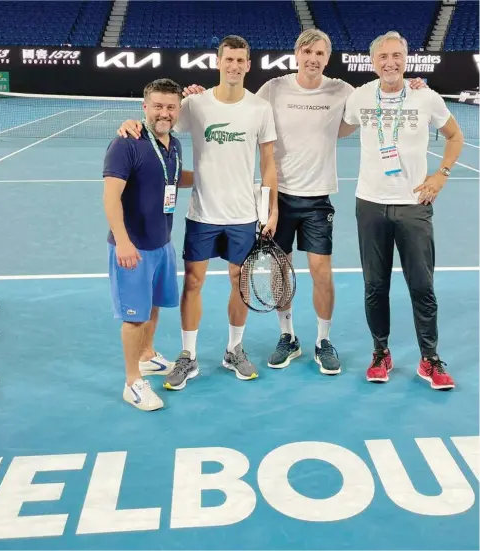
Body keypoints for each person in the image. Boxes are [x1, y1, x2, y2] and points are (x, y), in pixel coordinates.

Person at [180, 29, 428, 377]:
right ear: (297, 54)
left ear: (328, 58)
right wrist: (195, 94)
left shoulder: (342, 91)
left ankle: (323, 340)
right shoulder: (273, 88)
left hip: (317, 199)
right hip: (278, 197)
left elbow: (379, 94)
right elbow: (240, 110)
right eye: (308, 51)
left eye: (320, 53)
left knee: (321, 272)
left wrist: (412, 84)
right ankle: (288, 336)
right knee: (282, 272)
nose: (313, 58)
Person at [117, 35, 279, 390]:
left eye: (241, 60)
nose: (234, 66)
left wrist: (271, 208)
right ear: (218, 63)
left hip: (242, 214)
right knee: (193, 283)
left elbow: (268, 162)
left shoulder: (260, 109)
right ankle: (188, 356)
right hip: (202, 212)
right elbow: (158, 123)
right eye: (228, 60)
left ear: (248, 65)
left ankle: (234, 349)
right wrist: (131, 122)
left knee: (240, 283)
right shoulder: (195, 105)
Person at [340, 31, 463, 389]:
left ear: (406, 58)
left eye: (396, 56)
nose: (390, 63)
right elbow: (337, 128)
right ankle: (381, 352)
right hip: (371, 203)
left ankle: (430, 359)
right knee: (375, 286)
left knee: (422, 286)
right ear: (373, 61)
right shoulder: (361, 97)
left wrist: (441, 174)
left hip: (415, 204)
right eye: (383, 57)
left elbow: (455, 136)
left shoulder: (426, 97)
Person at [103, 78, 194, 411]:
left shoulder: (175, 145)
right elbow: (111, 197)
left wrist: (215, 176)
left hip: (162, 244)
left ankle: (146, 356)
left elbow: (174, 177)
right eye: (158, 105)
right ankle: (132, 382)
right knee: (134, 317)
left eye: (171, 107)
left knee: (154, 306)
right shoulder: (126, 143)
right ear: (145, 107)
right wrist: (124, 243)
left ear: (178, 110)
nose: (164, 112)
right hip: (133, 248)